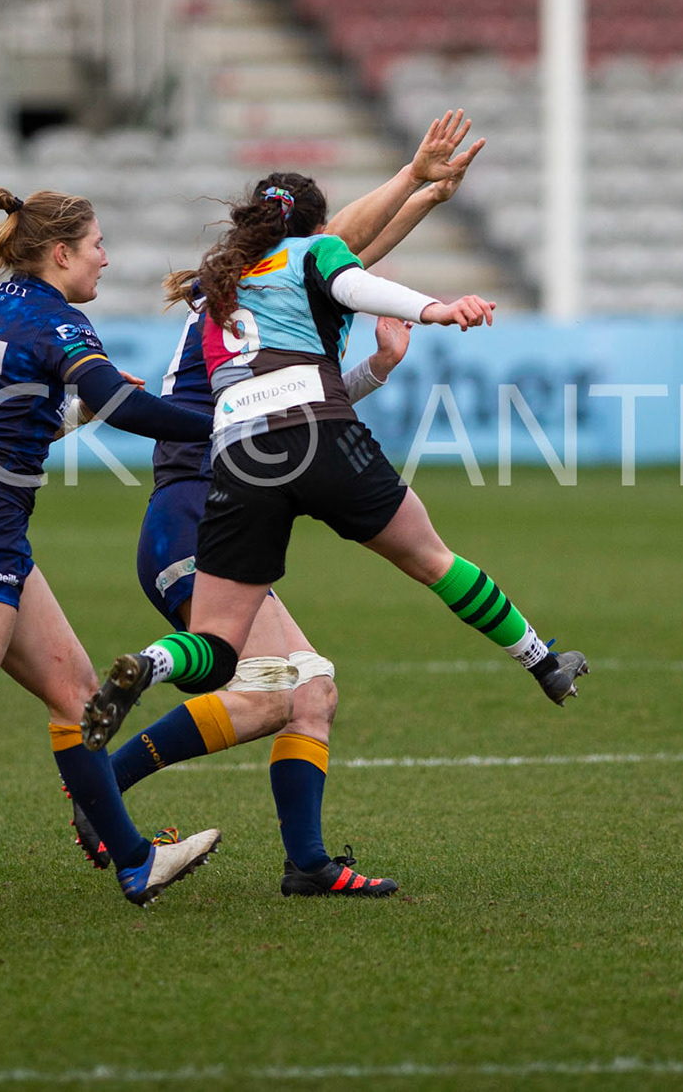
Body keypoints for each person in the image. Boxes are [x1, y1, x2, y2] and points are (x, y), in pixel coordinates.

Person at [82, 114, 589, 767]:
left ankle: (151, 668)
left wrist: (422, 199)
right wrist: (431, 291)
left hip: (237, 462)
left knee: (276, 674)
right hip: (222, 481)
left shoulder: (228, 280)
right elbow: (343, 263)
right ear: (312, 229)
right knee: (416, 571)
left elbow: (342, 259)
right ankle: (540, 659)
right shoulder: (308, 260)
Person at [97, 135, 476, 899]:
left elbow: (340, 257)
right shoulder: (255, 284)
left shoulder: (247, 284)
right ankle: (99, 788)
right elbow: (337, 250)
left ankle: (307, 863)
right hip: (195, 512)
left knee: (312, 689)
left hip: (209, 503)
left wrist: (421, 199)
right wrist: (412, 179)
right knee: (273, 692)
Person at [0, 186, 223, 908]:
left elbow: (10, 423)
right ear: (61, 253)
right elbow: (121, 401)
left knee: (77, 697)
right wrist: (219, 424)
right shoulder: (56, 317)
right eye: (98, 245)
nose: (106, 258)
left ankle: (136, 861)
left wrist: (78, 409)